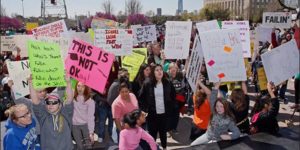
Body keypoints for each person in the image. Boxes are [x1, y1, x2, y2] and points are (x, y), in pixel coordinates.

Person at [29, 75, 74, 150]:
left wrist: (68, 82)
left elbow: (69, 99)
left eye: (54, 102)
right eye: (48, 102)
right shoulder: (43, 116)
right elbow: (35, 102)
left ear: (60, 104)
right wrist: (30, 83)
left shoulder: (66, 113)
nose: (51, 105)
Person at [191, 81, 241, 146]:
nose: (218, 108)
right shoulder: (213, 110)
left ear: (225, 107)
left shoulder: (228, 119)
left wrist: (229, 137)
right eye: (217, 106)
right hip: (207, 136)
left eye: (221, 106)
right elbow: (212, 97)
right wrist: (216, 86)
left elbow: (237, 133)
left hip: (219, 141)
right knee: (192, 145)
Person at [139, 64, 176, 149]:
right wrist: (144, 110)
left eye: (161, 70)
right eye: (157, 70)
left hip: (164, 114)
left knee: (163, 133)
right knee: (152, 135)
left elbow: (173, 96)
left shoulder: (168, 82)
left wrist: (171, 108)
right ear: (153, 72)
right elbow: (141, 97)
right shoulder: (147, 83)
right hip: (152, 114)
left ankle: (164, 147)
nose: (159, 72)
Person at [72, 82, 95, 149]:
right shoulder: (73, 98)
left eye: (83, 86)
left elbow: (91, 117)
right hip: (74, 126)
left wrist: (91, 132)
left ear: (86, 88)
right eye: (78, 86)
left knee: (88, 146)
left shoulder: (90, 101)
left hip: (85, 126)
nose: (80, 88)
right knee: (79, 146)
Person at [167, 62, 186, 134]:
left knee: (176, 114)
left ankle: (174, 128)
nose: (173, 70)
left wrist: (187, 59)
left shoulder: (180, 75)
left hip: (178, 99)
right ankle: (169, 128)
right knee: (169, 114)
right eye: (172, 68)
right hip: (169, 99)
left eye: (175, 68)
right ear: (169, 69)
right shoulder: (167, 76)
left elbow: (185, 70)